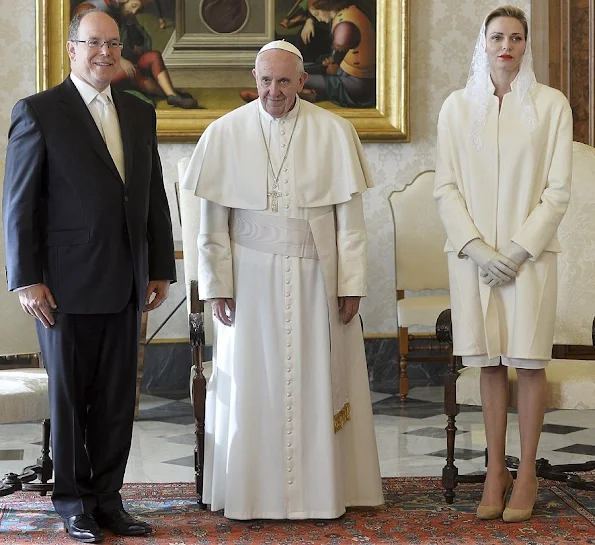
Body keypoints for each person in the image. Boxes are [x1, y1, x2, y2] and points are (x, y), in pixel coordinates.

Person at [182, 39, 383, 520]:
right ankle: (251, 494)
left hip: (316, 276)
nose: (274, 91)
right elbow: (211, 225)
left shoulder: (334, 132)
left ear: (302, 82)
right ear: (255, 80)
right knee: (256, 384)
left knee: (317, 380)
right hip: (249, 281)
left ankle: (322, 493)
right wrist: (217, 286)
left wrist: (351, 281)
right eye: (265, 80)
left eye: (284, 81)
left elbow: (350, 223)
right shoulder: (224, 132)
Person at [2, 9, 176, 543]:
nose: (106, 52)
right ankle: (73, 501)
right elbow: (19, 203)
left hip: (128, 281)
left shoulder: (139, 111)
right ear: (72, 48)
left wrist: (161, 267)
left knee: (119, 399)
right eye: (94, 42)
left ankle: (108, 500)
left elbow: (152, 198)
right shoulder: (39, 111)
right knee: (73, 401)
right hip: (63, 286)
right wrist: (25, 277)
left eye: (113, 43)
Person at [434, 6, 572, 523]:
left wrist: (515, 251)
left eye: (515, 37)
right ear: (483, 42)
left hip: (529, 259)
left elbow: (557, 192)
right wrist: (477, 248)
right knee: (488, 360)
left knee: (529, 360)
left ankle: (529, 470)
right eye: (497, 37)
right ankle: (496, 469)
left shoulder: (551, 106)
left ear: (525, 43)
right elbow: (444, 186)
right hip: (472, 259)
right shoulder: (455, 107)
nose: (506, 45)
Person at [73, 0, 199, 108]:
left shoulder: (123, 14)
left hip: (120, 60)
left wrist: (131, 25)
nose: (134, 11)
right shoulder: (95, 12)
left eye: (137, 10)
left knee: (153, 56)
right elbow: (95, 46)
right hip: (102, 67)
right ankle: (168, 94)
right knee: (132, 72)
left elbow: (139, 48)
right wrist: (121, 60)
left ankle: (172, 95)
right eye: (133, 6)